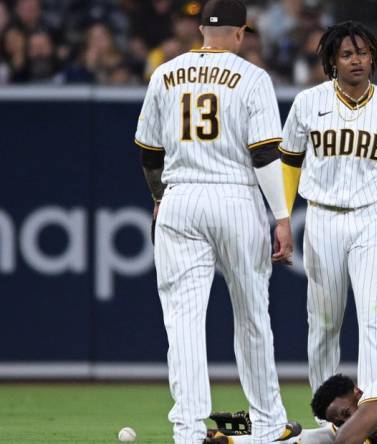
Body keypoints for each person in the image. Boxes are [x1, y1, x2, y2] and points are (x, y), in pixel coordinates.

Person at [134, 0, 300, 442]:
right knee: (251, 315)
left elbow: (149, 153)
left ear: (200, 30)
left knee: (183, 322)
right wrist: (281, 215)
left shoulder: (164, 74)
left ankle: (188, 429)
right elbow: (265, 154)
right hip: (235, 196)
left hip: (180, 196)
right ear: (241, 33)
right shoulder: (253, 77)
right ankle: (267, 423)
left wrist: (158, 198)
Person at [278, 20, 377, 394]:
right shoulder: (307, 103)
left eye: (362, 53)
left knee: (375, 318)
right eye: (347, 54)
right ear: (332, 62)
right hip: (322, 217)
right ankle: (328, 412)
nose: (356, 60)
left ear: (373, 58)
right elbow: (290, 165)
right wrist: (282, 218)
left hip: (372, 218)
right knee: (325, 322)